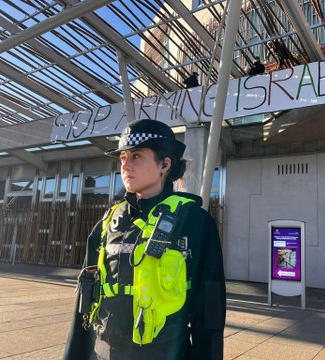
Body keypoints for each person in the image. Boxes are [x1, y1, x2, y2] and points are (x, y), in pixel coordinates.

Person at [63, 119, 226, 360]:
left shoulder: (195, 222)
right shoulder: (108, 222)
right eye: (122, 158)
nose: (125, 166)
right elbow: (85, 300)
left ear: (165, 164)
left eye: (136, 156)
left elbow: (210, 312)